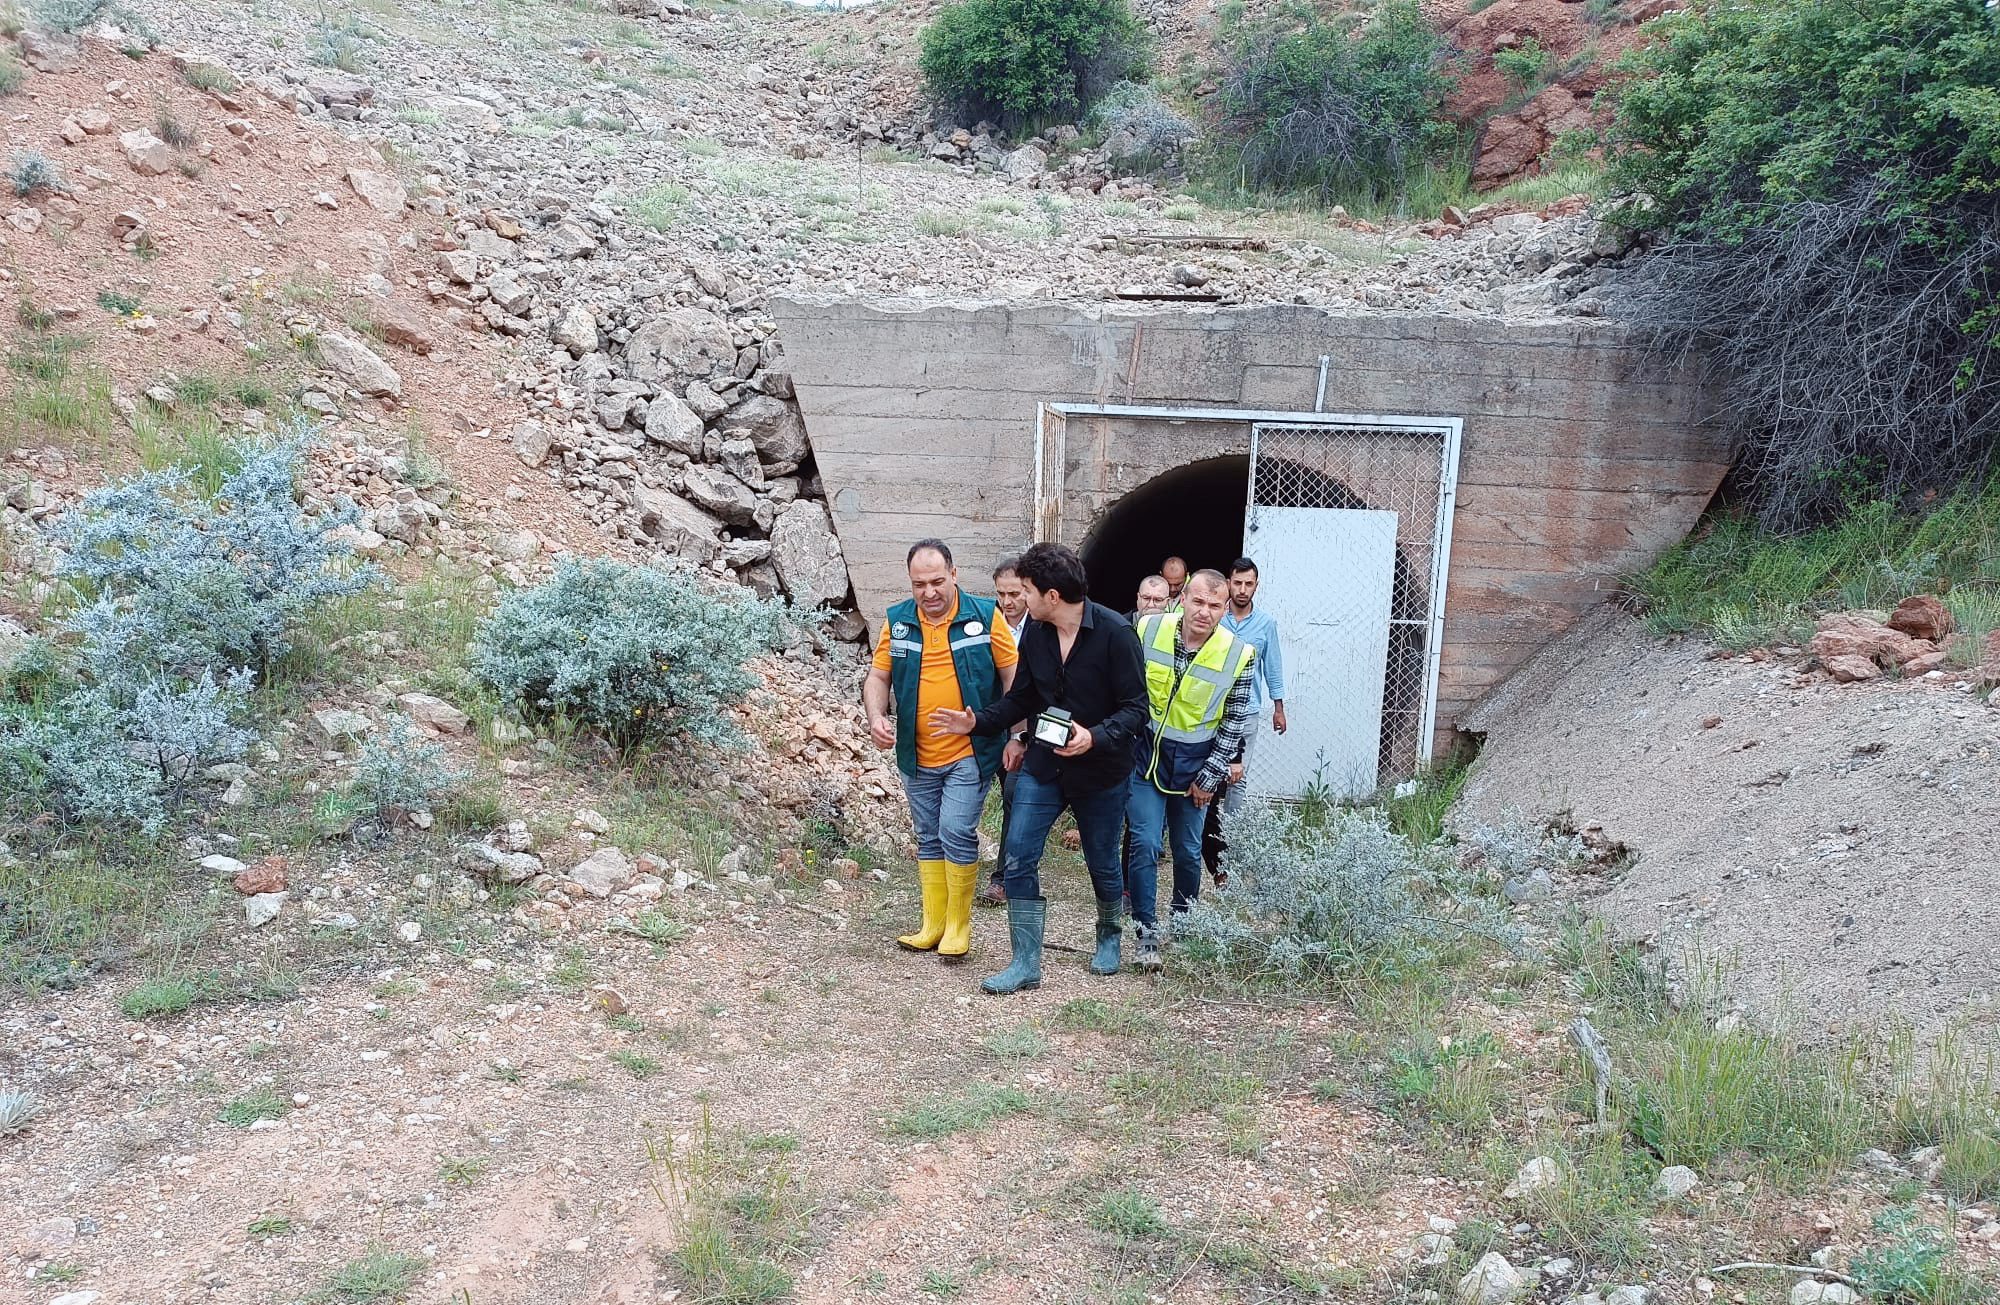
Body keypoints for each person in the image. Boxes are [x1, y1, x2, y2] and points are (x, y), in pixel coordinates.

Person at [928, 542, 1148, 994]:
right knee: (1018, 855)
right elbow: (1023, 698)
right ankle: (1025, 962)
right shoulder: (1037, 634)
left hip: (1101, 771)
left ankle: (1109, 935)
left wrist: (1094, 736)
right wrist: (978, 721)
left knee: (1103, 861)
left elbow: (1137, 709)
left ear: (1052, 595)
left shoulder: (1116, 634)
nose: (1019, 600)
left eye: (1026, 590)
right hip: (1044, 766)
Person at [863, 539, 1018, 961]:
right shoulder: (897, 621)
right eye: (919, 584)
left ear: (954, 573)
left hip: (971, 750)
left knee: (955, 829)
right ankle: (932, 925)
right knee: (928, 836)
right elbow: (878, 677)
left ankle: (958, 926)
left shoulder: (986, 616)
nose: (929, 592)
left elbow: (1013, 677)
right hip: (916, 754)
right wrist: (877, 716)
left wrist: (1014, 733)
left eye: (936, 581)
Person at [1122, 570, 1256, 969]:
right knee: (1145, 842)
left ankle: (1183, 920)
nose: (1205, 611)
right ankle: (1145, 931)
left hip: (1196, 768)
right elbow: (1123, 685)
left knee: (1188, 850)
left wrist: (1211, 777)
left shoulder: (1239, 654)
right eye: (1198, 602)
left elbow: (1234, 722)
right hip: (1145, 758)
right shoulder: (1147, 630)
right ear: (1182, 601)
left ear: (1225, 607)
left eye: (1215, 605)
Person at [1206, 556, 1288, 887]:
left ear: (1256, 585)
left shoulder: (1265, 625)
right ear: (1229, 583)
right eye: (1237, 583)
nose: (1242, 589)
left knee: (1237, 778)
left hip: (1249, 711)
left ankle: (1232, 844)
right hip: (1211, 709)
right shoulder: (1215, 618)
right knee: (1209, 772)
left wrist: (1278, 707)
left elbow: (1273, 665)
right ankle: (1206, 836)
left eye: (1248, 584)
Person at [977, 556, 1033, 908]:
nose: (1008, 602)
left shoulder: (1041, 627)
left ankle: (1004, 878)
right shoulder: (985, 624)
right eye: (1002, 594)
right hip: (991, 724)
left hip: (1025, 728)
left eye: (1015, 593)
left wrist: (1021, 736)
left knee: (1014, 795)